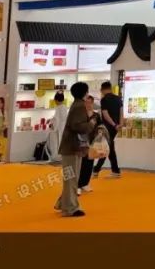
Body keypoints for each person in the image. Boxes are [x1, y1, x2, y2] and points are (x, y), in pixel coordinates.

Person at [56, 82, 97, 217]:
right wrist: (91, 123)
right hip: (73, 147)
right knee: (72, 178)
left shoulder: (76, 105)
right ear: (84, 92)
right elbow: (78, 126)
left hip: (71, 147)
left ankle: (64, 203)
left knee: (71, 177)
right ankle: (70, 208)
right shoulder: (80, 106)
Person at [93, 82, 122, 179]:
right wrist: (119, 125)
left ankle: (96, 170)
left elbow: (105, 115)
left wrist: (114, 125)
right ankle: (115, 170)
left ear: (103, 89)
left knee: (105, 148)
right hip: (115, 127)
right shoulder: (118, 98)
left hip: (108, 127)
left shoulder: (104, 99)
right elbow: (121, 113)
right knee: (110, 148)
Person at [77, 95, 98, 194]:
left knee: (89, 163)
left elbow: (100, 126)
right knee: (80, 164)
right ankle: (77, 185)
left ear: (92, 103)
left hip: (93, 142)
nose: (88, 105)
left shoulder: (96, 115)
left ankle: (85, 183)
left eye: (90, 103)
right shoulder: (80, 115)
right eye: (86, 103)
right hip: (82, 143)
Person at [49, 92, 69, 162]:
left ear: (56, 100)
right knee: (61, 142)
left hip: (58, 128)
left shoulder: (58, 108)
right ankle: (61, 156)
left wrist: (52, 125)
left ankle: (57, 156)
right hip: (63, 127)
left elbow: (56, 119)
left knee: (56, 142)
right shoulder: (64, 107)